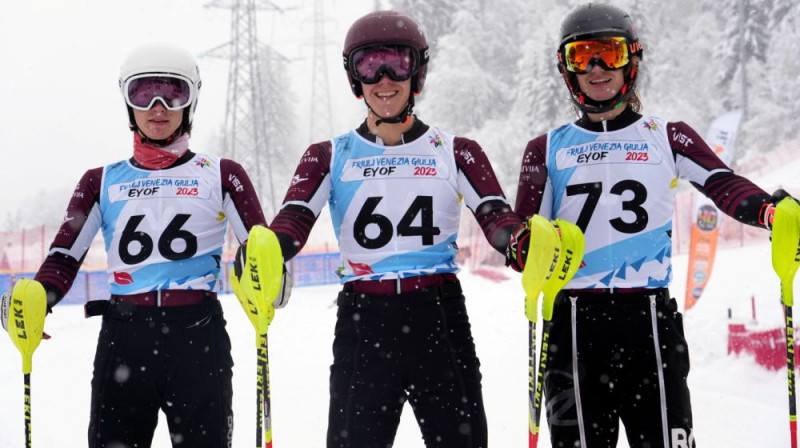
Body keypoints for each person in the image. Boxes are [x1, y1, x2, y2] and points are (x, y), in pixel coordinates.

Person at [512, 4, 794, 447]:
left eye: (610, 53)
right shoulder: (545, 149)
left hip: (648, 323)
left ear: (632, 61)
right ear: (567, 70)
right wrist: (523, 246)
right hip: (573, 327)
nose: (598, 68)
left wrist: (767, 211)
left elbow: (723, 183)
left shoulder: (667, 135)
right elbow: (521, 234)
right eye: (582, 56)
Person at [268, 10, 527, 448]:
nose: (384, 79)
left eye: (397, 63)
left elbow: (497, 216)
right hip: (364, 321)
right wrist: (268, 250)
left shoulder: (456, 150)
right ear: (355, 78)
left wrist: (519, 241)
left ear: (417, 72)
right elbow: (292, 221)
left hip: (438, 318)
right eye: (369, 65)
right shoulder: (328, 155)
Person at [1, 43, 267, 447]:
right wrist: (40, 294)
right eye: (143, 94)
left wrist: (268, 278)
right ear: (128, 102)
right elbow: (64, 255)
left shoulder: (222, 173)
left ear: (190, 100)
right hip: (126, 337)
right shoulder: (100, 180)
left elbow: (260, 247)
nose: (158, 107)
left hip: (197, 335)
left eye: (173, 93)